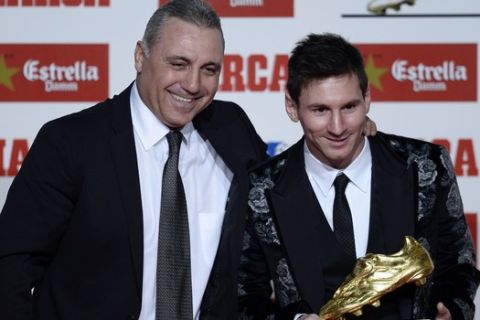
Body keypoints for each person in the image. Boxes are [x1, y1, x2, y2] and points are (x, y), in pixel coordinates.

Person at [0, 0, 269, 319]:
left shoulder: (233, 129)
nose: (193, 84)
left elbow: (271, 231)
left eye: (209, 69)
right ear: (141, 56)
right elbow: (10, 269)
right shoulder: (69, 142)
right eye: (179, 63)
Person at [238, 33, 480, 320]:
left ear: (367, 98)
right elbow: (244, 295)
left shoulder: (426, 167)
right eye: (320, 110)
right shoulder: (260, 190)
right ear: (292, 107)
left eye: (349, 107)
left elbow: (459, 263)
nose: (337, 127)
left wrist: (450, 309)